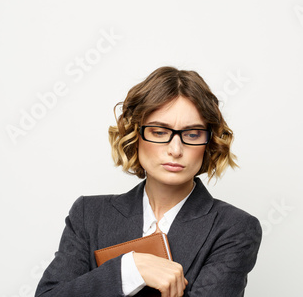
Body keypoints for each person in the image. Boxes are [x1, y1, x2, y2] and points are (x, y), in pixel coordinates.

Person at [35, 66, 262, 297]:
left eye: (192, 134)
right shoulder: (89, 215)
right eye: (159, 132)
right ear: (135, 134)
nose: (175, 150)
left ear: (209, 142)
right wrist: (128, 271)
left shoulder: (234, 228)